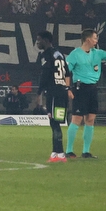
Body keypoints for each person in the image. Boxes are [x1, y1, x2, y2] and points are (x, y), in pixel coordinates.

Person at [64, 29, 106, 159]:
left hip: (93, 88)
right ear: (88, 39)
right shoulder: (75, 54)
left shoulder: (97, 53)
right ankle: (69, 150)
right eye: (95, 38)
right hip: (80, 88)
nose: (96, 40)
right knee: (77, 118)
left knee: (90, 119)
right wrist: (67, 89)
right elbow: (67, 72)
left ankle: (86, 151)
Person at [35, 31, 71, 163]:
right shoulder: (59, 54)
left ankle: (59, 154)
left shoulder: (47, 55)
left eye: (39, 40)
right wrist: (67, 88)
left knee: (54, 122)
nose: (37, 43)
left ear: (46, 40)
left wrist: (39, 93)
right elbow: (67, 73)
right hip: (61, 92)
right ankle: (56, 153)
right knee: (56, 122)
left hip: (53, 93)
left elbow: (44, 76)